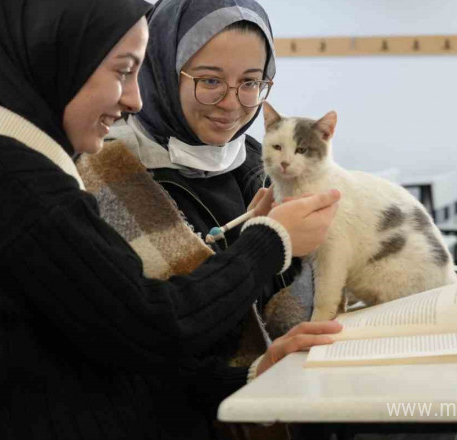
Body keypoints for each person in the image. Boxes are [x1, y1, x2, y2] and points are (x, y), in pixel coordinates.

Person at [0, 0, 341, 439]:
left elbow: (117, 346)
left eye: (251, 83)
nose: (134, 98)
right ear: (53, 57)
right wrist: (270, 240)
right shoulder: (7, 175)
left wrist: (253, 375)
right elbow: (158, 327)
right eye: (122, 70)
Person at [102, 0, 310, 419]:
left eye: (250, 83)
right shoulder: (112, 173)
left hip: (295, 393)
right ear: (158, 69)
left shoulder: (255, 160)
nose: (232, 104)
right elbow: (164, 335)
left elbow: (294, 285)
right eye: (209, 80)